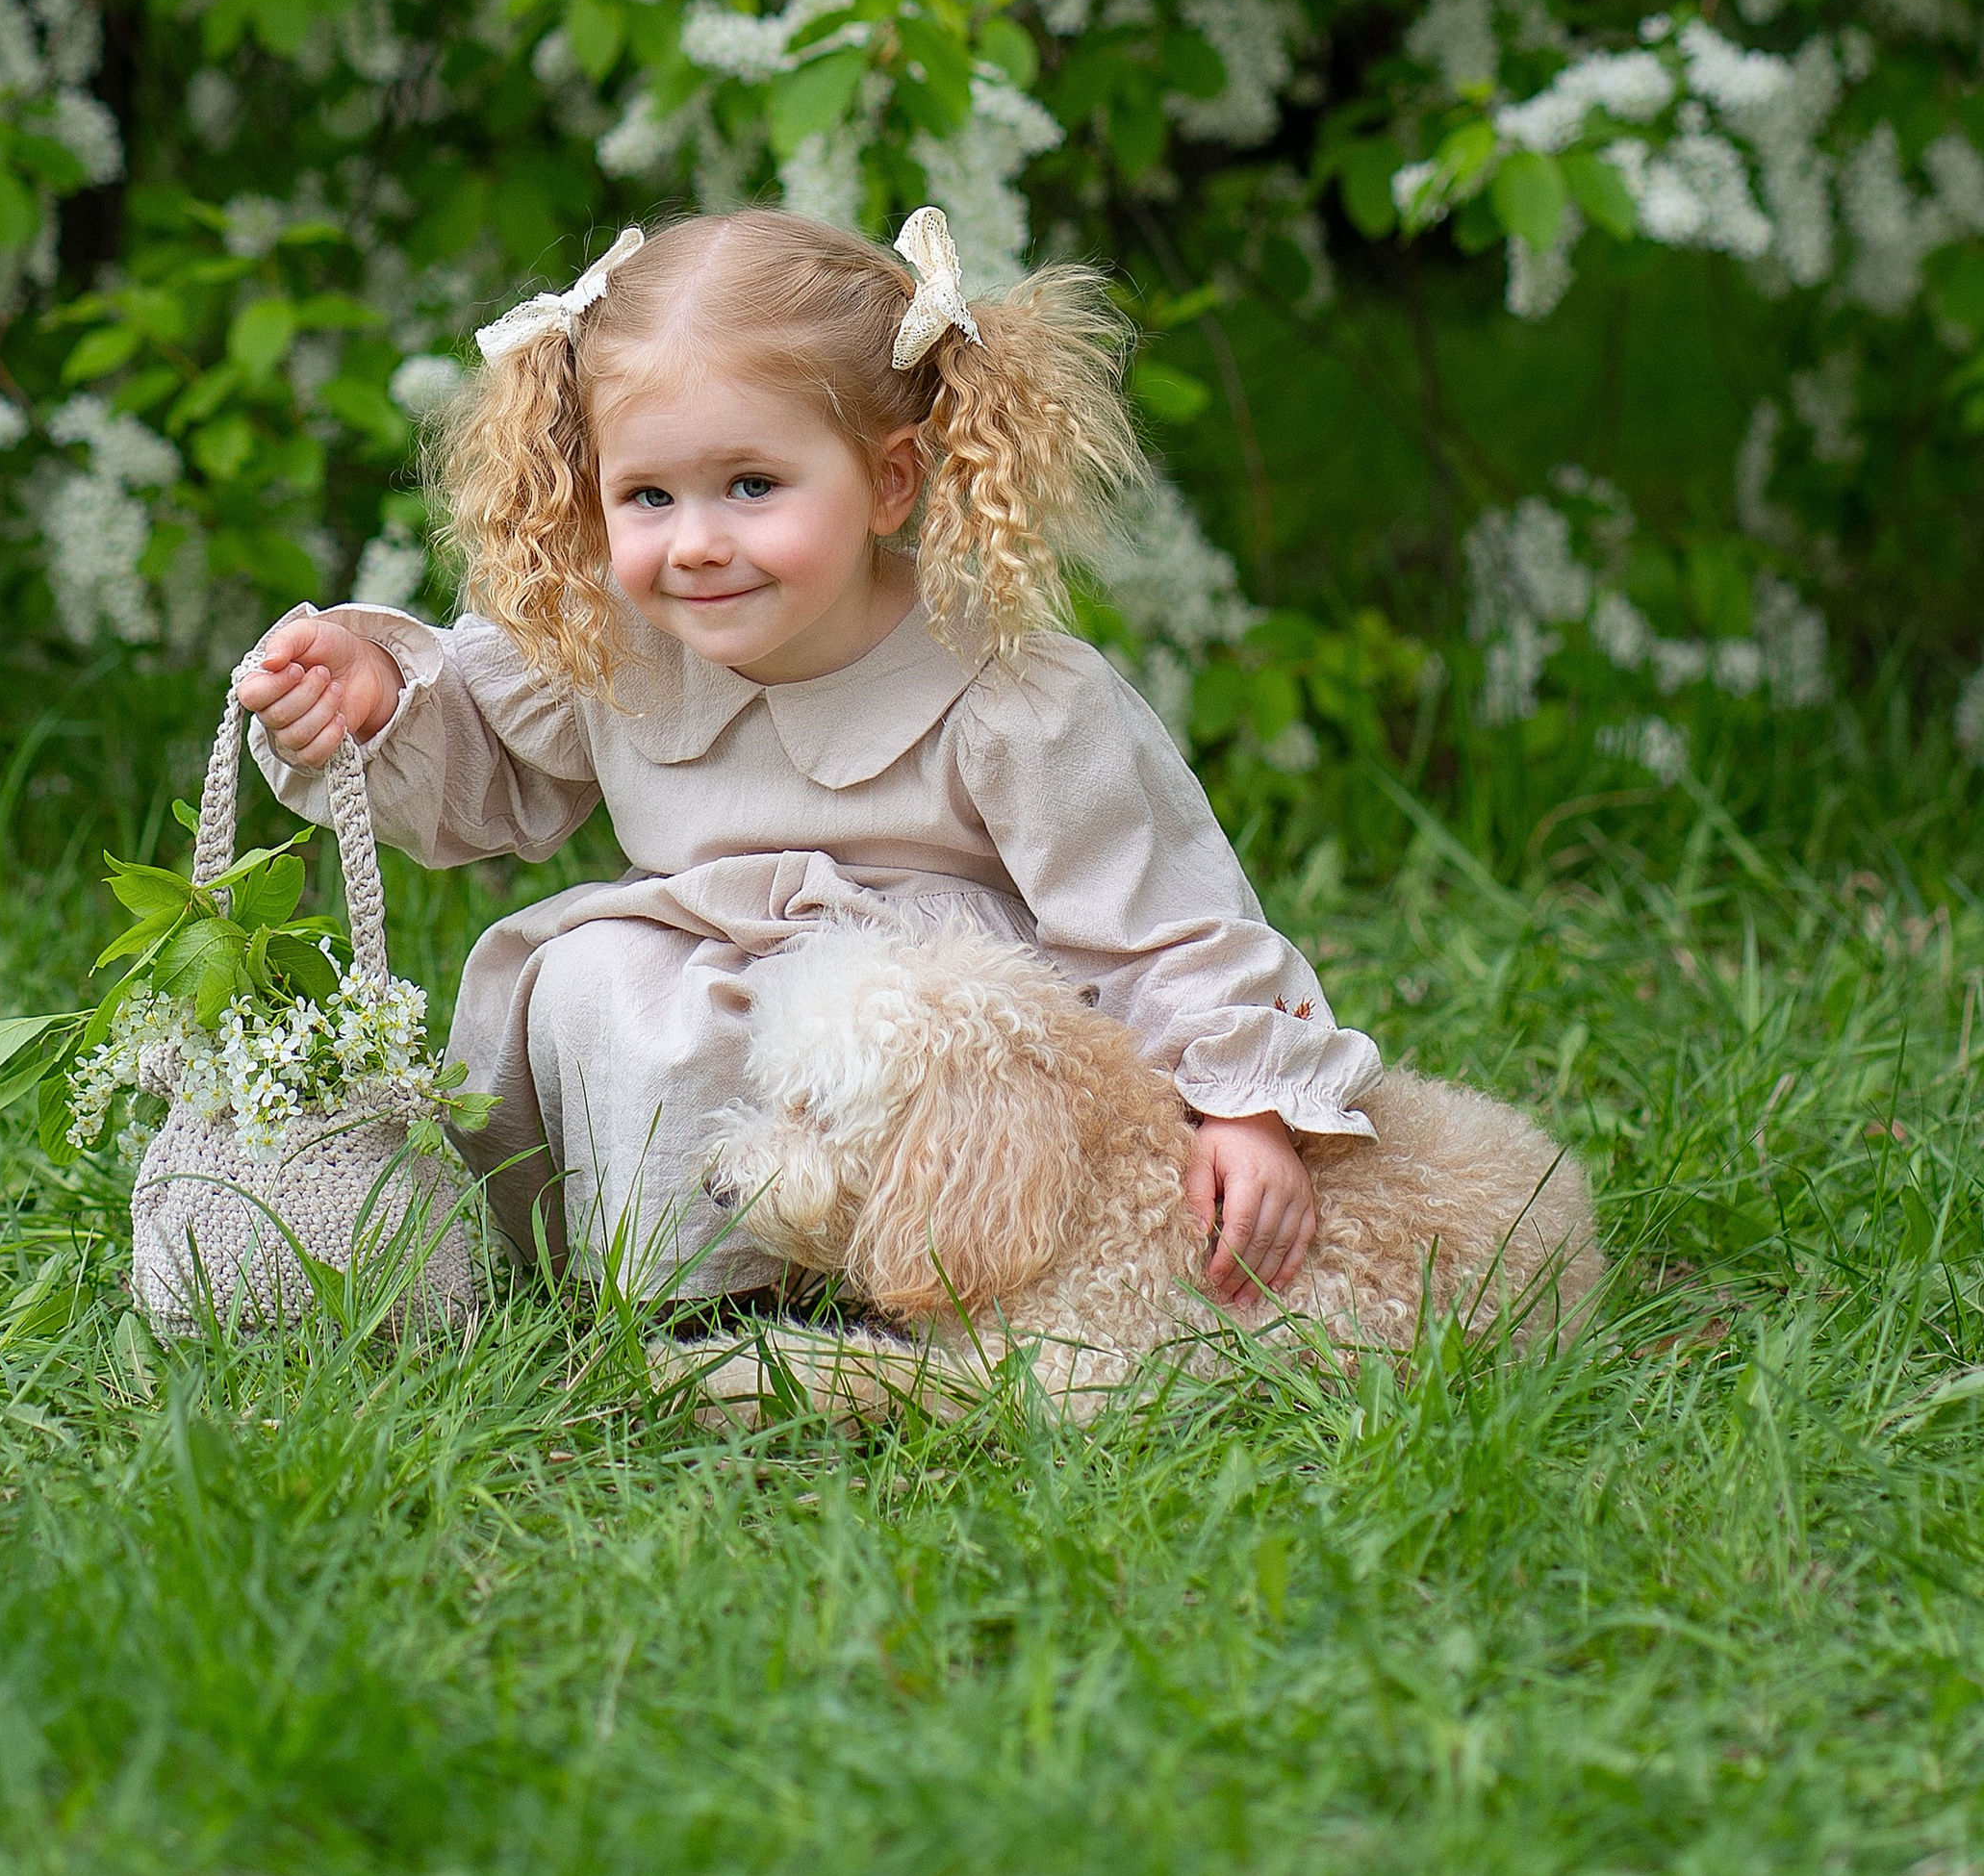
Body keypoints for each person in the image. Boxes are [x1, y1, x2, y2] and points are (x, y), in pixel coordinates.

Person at [237, 207, 1378, 1307]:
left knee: (889, 1036)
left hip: (926, 1044)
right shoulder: (610, 649)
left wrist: (1242, 1109)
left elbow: (1163, 918)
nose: (695, 543)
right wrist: (378, 698)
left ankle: (899, 1289)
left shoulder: (1010, 698)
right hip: (699, 992)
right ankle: (668, 1293)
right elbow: (482, 769)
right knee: (593, 980)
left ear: (890, 479)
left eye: (751, 486)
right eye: (646, 494)